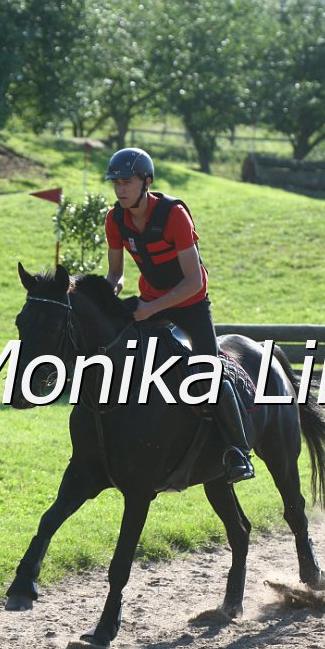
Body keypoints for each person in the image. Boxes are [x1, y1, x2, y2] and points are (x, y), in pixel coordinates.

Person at [104, 147, 254, 484]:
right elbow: (116, 275)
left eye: (127, 182)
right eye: (116, 183)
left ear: (146, 181)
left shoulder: (174, 215)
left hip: (191, 305)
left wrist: (150, 309)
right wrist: (107, 295)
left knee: (206, 373)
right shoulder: (114, 220)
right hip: (150, 302)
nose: (120, 189)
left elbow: (193, 281)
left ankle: (238, 452)